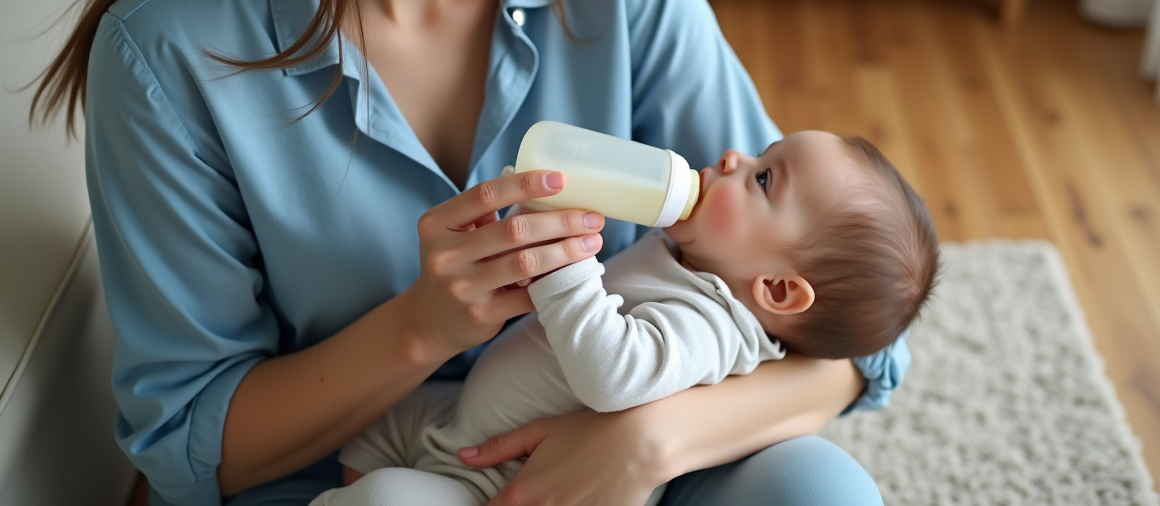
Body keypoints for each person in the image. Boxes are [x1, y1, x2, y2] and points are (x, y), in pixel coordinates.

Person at [30, 0, 912, 504]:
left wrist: (645, 440)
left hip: (621, 467)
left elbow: (849, 337)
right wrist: (420, 327)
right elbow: (189, 450)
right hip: (365, 473)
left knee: (816, 487)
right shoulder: (171, 55)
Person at [311, 130, 940, 506]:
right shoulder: (694, 253)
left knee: (385, 498)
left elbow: (614, 373)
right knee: (375, 428)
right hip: (470, 421)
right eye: (759, 154)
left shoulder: (714, 325)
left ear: (775, 288)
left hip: (512, 484)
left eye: (763, 177)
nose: (731, 156)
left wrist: (565, 265)